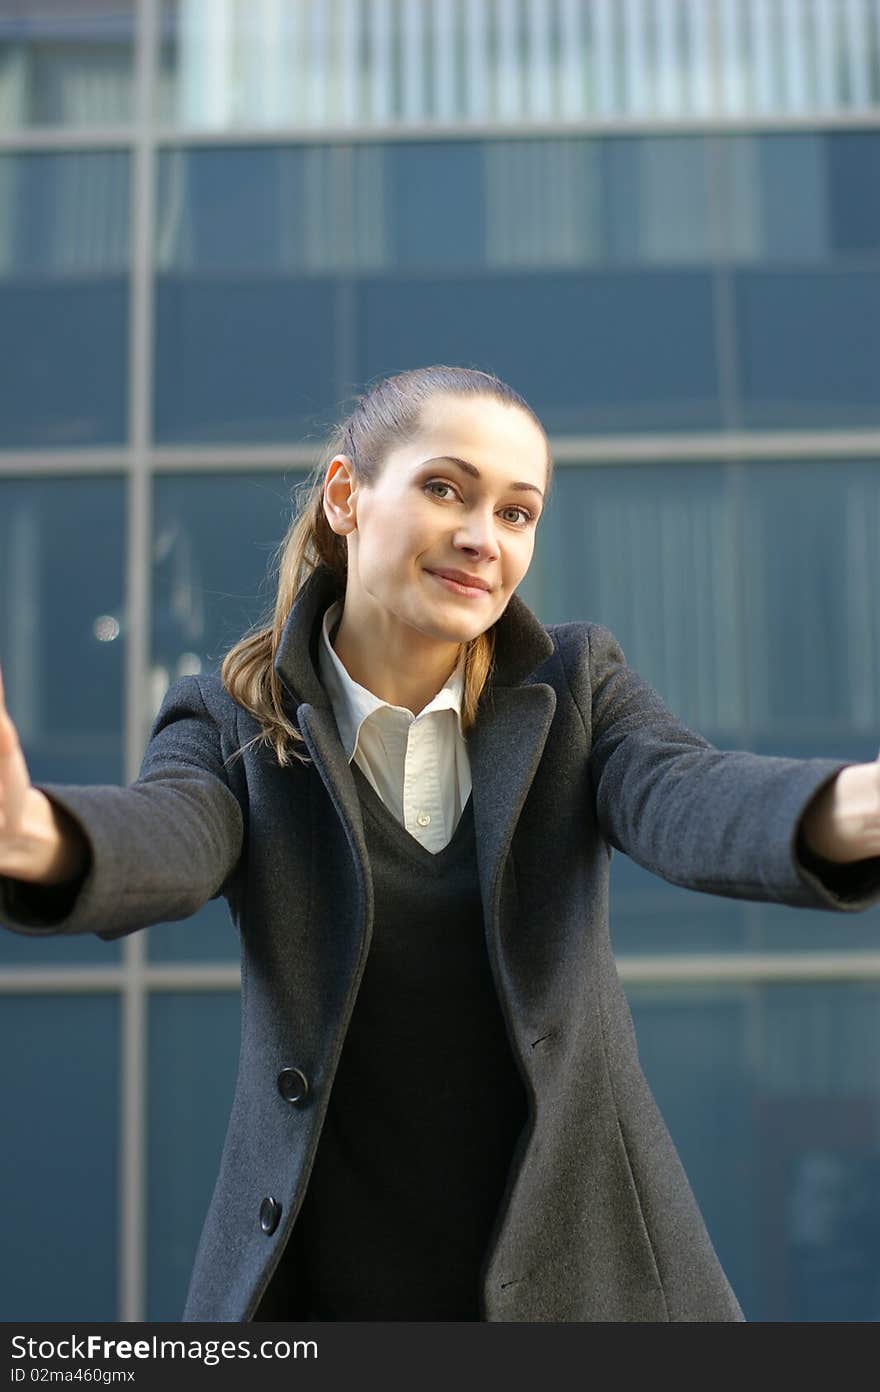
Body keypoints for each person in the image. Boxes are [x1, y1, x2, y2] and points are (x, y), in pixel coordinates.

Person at [2, 363, 880, 1324]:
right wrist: (36, 835)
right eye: (445, 489)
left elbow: (688, 795)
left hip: (591, 1284)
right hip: (329, 1289)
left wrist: (850, 808)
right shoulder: (232, 723)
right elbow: (171, 834)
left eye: (517, 513)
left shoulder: (578, 689)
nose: (481, 537)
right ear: (346, 496)